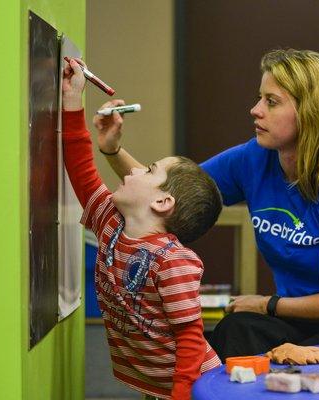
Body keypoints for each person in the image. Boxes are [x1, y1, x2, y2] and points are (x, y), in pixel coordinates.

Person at [96, 49, 319, 360]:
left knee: (294, 362)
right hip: (300, 320)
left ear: (310, 112)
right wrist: (113, 149)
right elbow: (168, 193)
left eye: (271, 102)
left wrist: (264, 304)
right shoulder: (254, 157)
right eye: (260, 98)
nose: (255, 110)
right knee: (235, 331)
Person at [61, 58, 222, 400]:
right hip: (155, 382)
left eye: (148, 171)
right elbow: (82, 172)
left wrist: (181, 395)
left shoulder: (174, 262)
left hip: (192, 386)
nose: (131, 172)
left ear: (163, 203)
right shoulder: (110, 224)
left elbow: (191, 339)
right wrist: (72, 102)